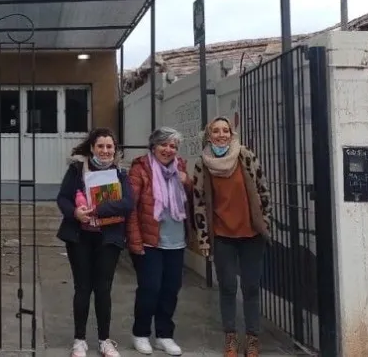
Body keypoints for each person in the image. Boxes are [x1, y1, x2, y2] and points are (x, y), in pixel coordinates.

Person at [191, 117, 271, 357]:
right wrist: (204, 239)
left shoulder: (246, 157)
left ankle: (253, 338)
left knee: (251, 287)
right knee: (227, 287)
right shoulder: (202, 164)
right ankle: (231, 338)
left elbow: (263, 191)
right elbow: (199, 203)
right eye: (216, 131)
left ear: (231, 134)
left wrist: (265, 222)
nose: (221, 135)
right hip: (222, 235)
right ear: (209, 135)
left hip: (251, 234)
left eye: (225, 130)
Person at [56, 127, 134, 357]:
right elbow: (62, 198)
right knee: (82, 288)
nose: (105, 150)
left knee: (103, 289)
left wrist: (98, 209)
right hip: (80, 237)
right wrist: (75, 213)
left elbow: (128, 203)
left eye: (109, 146)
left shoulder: (120, 174)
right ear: (92, 148)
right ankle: (79, 340)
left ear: (115, 149)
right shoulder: (77, 170)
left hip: (108, 239)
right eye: (100, 146)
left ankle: (104, 340)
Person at [125, 127, 191, 356]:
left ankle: (164, 335)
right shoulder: (140, 169)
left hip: (176, 241)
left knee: (170, 289)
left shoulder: (180, 168)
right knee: (150, 288)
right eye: (164, 144)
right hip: (149, 241)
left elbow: (191, 199)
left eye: (173, 146)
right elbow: (131, 207)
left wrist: (187, 182)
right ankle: (141, 333)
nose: (168, 149)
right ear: (153, 146)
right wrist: (135, 241)